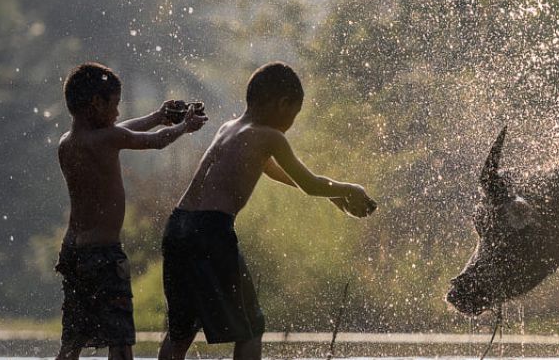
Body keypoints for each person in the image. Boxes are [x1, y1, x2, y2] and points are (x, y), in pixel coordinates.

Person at [157, 62, 376, 360]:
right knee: (249, 327)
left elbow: (272, 170)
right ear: (282, 104)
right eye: (293, 115)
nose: (291, 124)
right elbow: (310, 184)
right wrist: (350, 189)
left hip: (179, 226)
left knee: (180, 330)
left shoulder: (229, 127)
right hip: (211, 230)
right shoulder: (270, 136)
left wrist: (331, 194)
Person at [54, 62, 208, 360]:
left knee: (72, 342)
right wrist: (183, 126)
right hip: (103, 257)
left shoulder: (68, 142)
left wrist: (157, 116)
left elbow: (120, 132)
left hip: (73, 253)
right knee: (120, 342)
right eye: (115, 105)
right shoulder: (106, 139)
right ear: (96, 104)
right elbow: (155, 142)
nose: (118, 113)